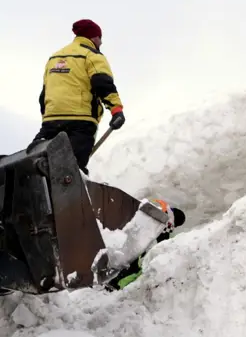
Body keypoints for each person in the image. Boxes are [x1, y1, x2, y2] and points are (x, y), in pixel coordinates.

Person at [29, 19, 125, 174]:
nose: (101, 43)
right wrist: (116, 110)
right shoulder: (92, 55)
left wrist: (48, 118)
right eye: (100, 38)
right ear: (94, 37)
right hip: (81, 122)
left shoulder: (54, 58)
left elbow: (44, 94)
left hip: (51, 120)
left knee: (37, 164)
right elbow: (103, 83)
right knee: (72, 171)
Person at [106, 201, 186, 291]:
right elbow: (160, 245)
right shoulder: (164, 227)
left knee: (126, 263)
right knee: (134, 269)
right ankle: (114, 283)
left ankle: (110, 280)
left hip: (131, 242)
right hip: (140, 250)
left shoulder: (157, 216)